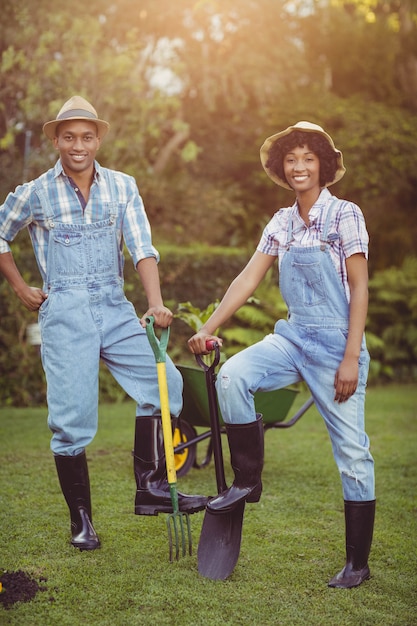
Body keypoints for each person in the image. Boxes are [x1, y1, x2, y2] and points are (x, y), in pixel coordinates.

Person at [0, 95, 207, 551]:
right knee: (71, 422)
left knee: (167, 387)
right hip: (66, 313)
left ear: (99, 139)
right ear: (56, 139)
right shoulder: (35, 192)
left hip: (115, 309)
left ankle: (150, 487)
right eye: (69, 136)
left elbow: (142, 247)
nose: (79, 145)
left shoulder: (122, 186)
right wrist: (20, 287)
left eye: (87, 137)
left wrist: (154, 303)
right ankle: (82, 521)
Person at [188, 121, 375, 588]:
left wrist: (351, 356)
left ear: (324, 166)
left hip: (336, 347)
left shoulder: (345, 215)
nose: (299, 166)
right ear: (281, 167)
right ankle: (247, 479)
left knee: (353, 455)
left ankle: (357, 563)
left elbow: (359, 285)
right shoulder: (281, 221)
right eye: (291, 159)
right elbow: (248, 278)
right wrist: (207, 327)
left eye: (308, 158)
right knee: (231, 376)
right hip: (292, 339)